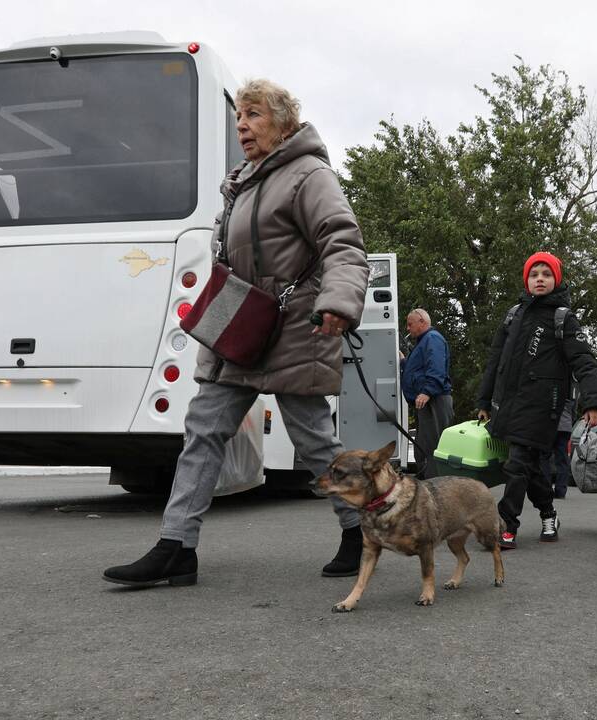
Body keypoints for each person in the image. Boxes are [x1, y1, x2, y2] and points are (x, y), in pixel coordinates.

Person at [104, 79, 369, 587]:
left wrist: (338, 301)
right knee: (202, 432)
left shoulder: (309, 175)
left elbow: (343, 242)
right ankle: (176, 547)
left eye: (253, 115)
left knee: (313, 442)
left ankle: (359, 532)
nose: (242, 125)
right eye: (239, 117)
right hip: (242, 325)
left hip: (295, 326)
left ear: (283, 121)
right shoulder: (243, 182)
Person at [475, 252, 597, 549]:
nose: (539, 279)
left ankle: (505, 525)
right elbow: (495, 361)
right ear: (526, 280)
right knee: (529, 468)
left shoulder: (563, 318)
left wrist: (594, 402)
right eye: (534, 274)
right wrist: (484, 400)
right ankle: (549, 513)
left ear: (556, 280)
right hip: (509, 404)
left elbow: (585, 362)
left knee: (518, 462)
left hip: (543, 406)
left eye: (546, 274)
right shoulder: (514, 314)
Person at [400, 308, 454, 479]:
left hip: (434, 400)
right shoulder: (423, 342)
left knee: (434, 445)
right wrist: (404, 362)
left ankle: (436, 485)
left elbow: (436, 368)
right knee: (424, 443)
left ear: (422, 321)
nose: (408, 328)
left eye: (410, 324)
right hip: (426, 401)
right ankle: (426, 481)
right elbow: (419, 368)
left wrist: (426, 392)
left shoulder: (432, 339)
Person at [550, 396, 575, 499]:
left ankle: (546, 489)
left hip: (550, 425)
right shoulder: (570, 391)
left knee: (545, 458)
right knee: (562, 460)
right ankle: (561, 491)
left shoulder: (552, 388)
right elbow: (573, 410)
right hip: (565, 427)